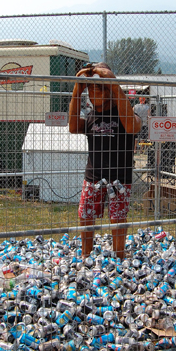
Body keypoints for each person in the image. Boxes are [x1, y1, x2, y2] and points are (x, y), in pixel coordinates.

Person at [69, 62, 141, 259]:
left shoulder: (124, 113)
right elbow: (73, 127)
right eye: (90, 90)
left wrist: (113, 82)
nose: (93, 94)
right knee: (85, 216)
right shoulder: (92, 116)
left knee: (118, 219)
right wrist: (77, 89)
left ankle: (119, 254)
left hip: (120, 178)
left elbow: (132, 126)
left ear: (110, 90)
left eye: (98, 88)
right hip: (93, 176)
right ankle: (86, 254)